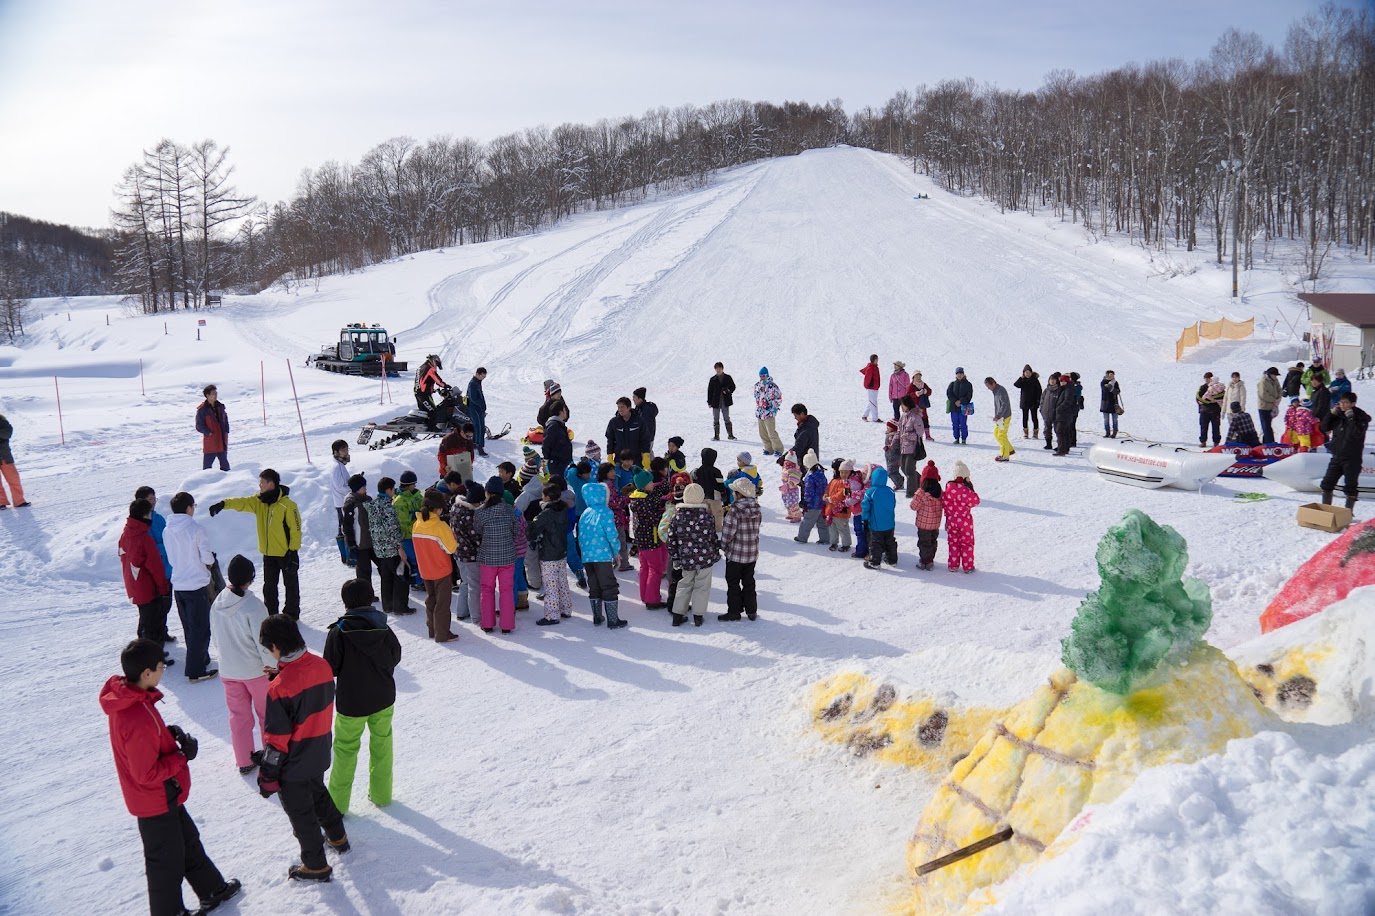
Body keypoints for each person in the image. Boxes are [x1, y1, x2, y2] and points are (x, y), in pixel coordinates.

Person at [101, 639, 241, 916]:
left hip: (163, 794)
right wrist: (181, 757)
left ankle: (212, 889)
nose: (164, 670)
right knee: (164, 862)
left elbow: (146, 744)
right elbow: (146, 772)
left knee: (187, 840)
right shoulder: (135, 715)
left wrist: (168, 736)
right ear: (146, 673)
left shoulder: (133, 695)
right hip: (153, 798)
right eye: (161, 666)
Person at [256, 615, 349, 882]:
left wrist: (268, 775)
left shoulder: (279, 689)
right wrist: (283, 674)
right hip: (319, 750)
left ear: (275, 646)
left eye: (268, 648)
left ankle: (316, 865)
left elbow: (277, 739)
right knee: (319, 795)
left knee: (302, 815)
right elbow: (307, 694)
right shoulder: (321, 666)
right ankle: (338, 837)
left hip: (294, 763)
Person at [324, 579, 401, 816]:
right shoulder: (384, 629)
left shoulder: (338, 632)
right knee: (382, 744)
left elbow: (330, 668)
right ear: (371, 598)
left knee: (345, 751)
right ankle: (382, 794)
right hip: (383, 698)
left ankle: (337, 806)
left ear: (345, 602)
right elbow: (395, 656)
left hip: (351, 703)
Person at [210, 554, 275, 774]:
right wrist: (272, 667)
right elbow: (263, 643)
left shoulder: (218, 602)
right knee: (267, 715)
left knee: (238, 717)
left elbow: (216, 638)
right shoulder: (254, 607)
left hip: (228, 670)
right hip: (255, 671)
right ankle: (271, 755)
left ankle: (244, 759)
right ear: (251, 578)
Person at [208, 469, 301, 620]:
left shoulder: (288, 505)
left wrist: (293, 551)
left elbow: (296, 529)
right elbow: (242, 502)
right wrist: (223, 504)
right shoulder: (259, 502)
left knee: (291, 585)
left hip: (286, 553)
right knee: (269, 587)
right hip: (268, 553)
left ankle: (292, 614)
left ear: (270, 484)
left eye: (262, 483)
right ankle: (271, 615)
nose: (259, 485)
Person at [163, 491, 218, 683]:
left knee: (189, 625)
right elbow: (207, 557)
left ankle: (201, 657)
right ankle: (196, 670)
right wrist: (209, 562)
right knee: (201, 627)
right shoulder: (196, 528)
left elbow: (170, 557)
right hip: (196, 583)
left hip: (178, 583)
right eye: (193, 506)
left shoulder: (167, 529)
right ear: (188, 508)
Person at [120, 498, 175, 661]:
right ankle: (154, 659)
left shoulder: (126, 534)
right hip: (148, 589)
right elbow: (156, 568)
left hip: (134, 586)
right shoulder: (144, 538)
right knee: (154, 626)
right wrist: (164, 589)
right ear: (145, 514)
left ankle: (142, 655)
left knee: (145, 622)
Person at [665, 483, 720, 627]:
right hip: (705, 559)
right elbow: (712, 537)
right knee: (702, 586)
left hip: (685, 559)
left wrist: (675, 556)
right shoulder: (707, 517)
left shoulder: (677, 517)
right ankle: (698, 616)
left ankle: (677, 614)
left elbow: (671, 538)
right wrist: (715, 553)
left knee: (684, 584)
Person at [578, 480, 629, 628]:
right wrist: (616, 552)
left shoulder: (585, 513)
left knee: (594, 585)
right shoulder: (605, 512)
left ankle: (597, 617)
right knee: (609, 585)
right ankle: (613, 620)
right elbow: (611, 535)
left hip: (587, 557)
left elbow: (580, 536)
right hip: (603, 556)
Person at [412, 490, 460, 642]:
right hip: (441, 570)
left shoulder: (417, 524)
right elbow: (451, 548)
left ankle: (432, 630)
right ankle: (442, 634)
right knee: (443, 603)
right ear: (438, 508)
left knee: (431, 600)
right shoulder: (440, 526)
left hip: (425, 569)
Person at [475, 476, 518, 633]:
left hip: (487, 556)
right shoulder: (509, 510)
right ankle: (507, 625)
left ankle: (487, 623)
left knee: (487, 589)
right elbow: (515, 531)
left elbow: (478, 531)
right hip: (507, 556)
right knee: (507, 590)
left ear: (486, 492)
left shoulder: (480, 512)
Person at [366, 478, 412, 616]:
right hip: (391, 548)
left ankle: (387, 605)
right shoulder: (388, 506)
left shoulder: (372, 504)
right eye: (393, 489)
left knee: (386, 578)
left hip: (379, 549)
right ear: (388, 490)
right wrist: (400, 548)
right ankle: (400, 606)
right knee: (401, 576)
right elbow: (392, 528)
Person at [629, 461, 672, 609]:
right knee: (656, 569)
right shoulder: (646, 501)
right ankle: (653, 600)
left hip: (641, 541)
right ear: (644, 485)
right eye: (650, 482)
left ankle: (645, 595)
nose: (653, 484)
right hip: (651, 539)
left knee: (645, 567)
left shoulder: (637, 499)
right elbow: (655, 518)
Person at [531, 482, 575, 624]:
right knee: (562, 582)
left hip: (549, 552)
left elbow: (533, 529)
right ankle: (566, 609)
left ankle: (552, 614)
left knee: (551, 585)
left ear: (548, 497)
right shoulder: (563, 509)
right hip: (561, 550)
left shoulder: (547, 514)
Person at [718, 478, 761, 621]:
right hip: (751, 553)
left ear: (738, 494)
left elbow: (728, 533)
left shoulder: (734, 510)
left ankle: (734, 612)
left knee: (733, 583)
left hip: (736, 555)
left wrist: (723, 546)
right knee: (749, 582)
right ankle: (751, 610)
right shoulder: (756, 508)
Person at [1320, 391, 1371, 510]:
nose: (1342, 405)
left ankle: (1348, 511)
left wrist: (1351, 418)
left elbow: (1356, 433)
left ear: (1352, 404)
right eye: (1341, 402)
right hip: (1337, 456)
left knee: (1350, 487)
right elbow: (1324, 428)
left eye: (1345, 403)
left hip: (1352, 458)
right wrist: (1331, 414)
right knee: (1327, 484)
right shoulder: (1339, 415)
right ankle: (1325, 510)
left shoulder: (1361, 418)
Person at [451, 480, 485, 622]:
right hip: (471, 555)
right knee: (474, 586)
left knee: (465, 582)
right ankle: (476, 616)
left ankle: (461, 611)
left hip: (458, 553)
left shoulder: (455, 507)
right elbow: (476, 536)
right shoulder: (470, 514)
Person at [944, 461, 980, 573]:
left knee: (953, 543)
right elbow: (976, 501)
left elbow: (944, 502)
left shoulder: (949, 489)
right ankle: (968, 566)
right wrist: (970, 487)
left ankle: (953, 565)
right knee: (967, 543)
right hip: (965, 522)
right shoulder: (966, 490)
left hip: (951, 521)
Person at [394, 470, 425, 590]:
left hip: (419, 532)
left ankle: (421, 579)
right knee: (414, 558)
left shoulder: (416, 495)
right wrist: (417, 514)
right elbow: (404, 521)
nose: (415, 486)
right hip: (408, 535)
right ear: (407, 485)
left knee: (420, 557)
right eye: (413, 484)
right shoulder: (400, 501)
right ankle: (416, 582)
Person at [861, 468, 898, 570]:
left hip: (876, 524)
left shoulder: (870, 492)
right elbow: (893, 504)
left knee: (875, 543)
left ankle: (875, 562)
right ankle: (892, 559)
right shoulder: (890, 491)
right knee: (890, 541)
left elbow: (865, 507)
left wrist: (865, 519)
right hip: (889, 522)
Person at [137, 485, 173, 579]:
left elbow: (168, 537)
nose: (153, 502)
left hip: (167, 570)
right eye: (150, 499)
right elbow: (147, 548)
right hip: (152, 573)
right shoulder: (138, 522)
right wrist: (166, 547)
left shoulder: (159, 518)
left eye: (154, 499)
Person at [795, 451, 830, 545]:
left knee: (807, 521)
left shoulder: (810, 479)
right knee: (822, 523)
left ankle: (802, 538)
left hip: (813, 505)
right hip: (822, 504)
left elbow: (809, 493)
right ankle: (825, 539)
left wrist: (805, 502)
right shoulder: (821, 474)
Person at [824, 460, 859, 552]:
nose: (843, 474)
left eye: (845, 472)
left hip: (842, 510)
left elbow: (842, 494)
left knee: (842, 528)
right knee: (832, 527)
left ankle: (846, 544)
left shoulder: (846, 483)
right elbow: (828, 489)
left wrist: (832, 498)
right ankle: (834, 542)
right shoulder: (833, 480)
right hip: (831, 509)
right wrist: (826, 495)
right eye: (841, 472)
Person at [911, 473, 943, 571]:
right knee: (933, 541)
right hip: (935, 524)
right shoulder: (940, 493)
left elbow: (913, 506)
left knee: (924, 543)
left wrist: (918, 495)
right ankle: (930, 559)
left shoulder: (921, 494)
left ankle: (925, 561)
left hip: (924, 524)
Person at [329, 440, 353, 566]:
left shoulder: (341, 466)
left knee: (344, 529)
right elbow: (340, 486)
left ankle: (347, 556)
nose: (346, 452)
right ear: (336, 452)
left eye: (347, 449)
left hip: (343, 501)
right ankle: (348, 556)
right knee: (346, 530)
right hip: (342, 502)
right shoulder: (337, 467)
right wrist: (353, 489)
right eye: (343, 450)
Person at [195, 384, 230, 471]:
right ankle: (205, 484)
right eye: (213, 394)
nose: (215, 395)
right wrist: (208, 433)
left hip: (221, 440)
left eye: (216, 393)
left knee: (225, 466)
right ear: (207, 395)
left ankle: (227, 483)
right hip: (211, 442)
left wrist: (226, 431)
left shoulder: (220, 406)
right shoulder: (202, 410)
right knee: (207, 468)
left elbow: (225, 420)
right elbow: (199, 425)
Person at [693, 447, 729, 532]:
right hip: (715, 497)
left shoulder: (698, 471)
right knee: (717, 513)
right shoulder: (716, 471)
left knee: (705, 513)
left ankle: (705, 527)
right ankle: (718, 528)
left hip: (703, 496)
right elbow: (720, 484)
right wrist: (723, 495)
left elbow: (696, 483)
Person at [897, 397, 925, 496]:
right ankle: (921, 480)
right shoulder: (903, 416)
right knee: (904, 468)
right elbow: (899, 430)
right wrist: (893, 442)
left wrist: (908, 435)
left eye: (903, 405)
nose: (901, 407)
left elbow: (920, 433)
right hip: (903, 447)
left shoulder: (916, 417)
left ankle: (911, 492)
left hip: (913, 448)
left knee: (909, 470)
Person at [0, 412, 30, 508]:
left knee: (14, 479)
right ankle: (1, 502)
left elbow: (7, 434)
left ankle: (19, 501)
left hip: (5, 457)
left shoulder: (3, 422)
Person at [754, 368, 786, 456]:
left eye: (764, 375)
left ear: (767, 375)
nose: (762, 377)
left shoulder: (773, 386)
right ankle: (769, 448)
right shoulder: (757, 385)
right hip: (760, 413)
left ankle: (778, 449)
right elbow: (756, 397)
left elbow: (779, 398)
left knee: (771, 432)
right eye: (761, 376)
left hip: (769, 413)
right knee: (762, 433)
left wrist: (774, 407)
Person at [986, 377, 1014, 461]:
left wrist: (998, 415)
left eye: (988, 386)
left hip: (1004, 417)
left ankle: (1005, 455)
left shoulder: (1001, 390)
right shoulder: (996, 391)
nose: (988, 388)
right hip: (1000, 418)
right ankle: (1009, 449)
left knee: (1001, 435)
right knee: (996, 433)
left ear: (993, 384)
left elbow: (1004, 404)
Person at [707, 362, 737, 441]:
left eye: (719, 368)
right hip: (715, 402)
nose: (718, 370)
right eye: (716, 368)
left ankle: (730, 435)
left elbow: (733, 387)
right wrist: (709, 402)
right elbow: (709, 391)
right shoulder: (713, 379)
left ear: (722, 368)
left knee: (726, 418)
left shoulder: (728, 377)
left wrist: (728, 390)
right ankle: (716, 436)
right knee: (716, 418)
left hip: (725, 401)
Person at [1052, 373, 1078, 456]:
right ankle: (1065, 448)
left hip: (1064, 414)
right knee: (1065, 432)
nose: (1062, 383)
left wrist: (1059, 408)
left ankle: (1061, 450)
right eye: (1061, 381)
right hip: (1064, 414)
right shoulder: (1064, 389)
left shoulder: (1068, 389)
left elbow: (1067, 401)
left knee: (1060, 432)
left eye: (1064, 381)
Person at [1013, 365, 1043, 440]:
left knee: (1034, 418)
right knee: (1025, 418)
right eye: (1026, 372)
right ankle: (1026, 433)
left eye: (1029, 372)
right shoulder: (1022, 380)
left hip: (1033, 402)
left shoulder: (1035, 380)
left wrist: (1038, 400)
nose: (1028, 374)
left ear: (1031, 372)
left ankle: (1035, 433)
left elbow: (1039, 391)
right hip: (1024, 402)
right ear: (1023, 373)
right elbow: (1016, 385)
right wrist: (1021, 378)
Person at [632, 387, 658, 466]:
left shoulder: (645, 411)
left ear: (640, 398)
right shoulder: (639, 408)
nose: (633, 399)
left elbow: (646, 428)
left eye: (634, 397)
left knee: (646, 457)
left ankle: (652, 472)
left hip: (645, 440)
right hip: (644, 440)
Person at [947, 368, 973, 444]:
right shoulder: (952, 384)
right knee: (955, 423)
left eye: (961, 373)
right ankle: (956, 438)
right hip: (954, 407)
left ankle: (964, 438)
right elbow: (949, 394)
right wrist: (955, 401)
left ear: (963, 374)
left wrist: (961, 401)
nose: (959, 375)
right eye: (958, 374)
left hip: (964, 407)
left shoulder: (968, 384)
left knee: (963, 423)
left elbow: (969, 395)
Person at [467, 367, 488, 456]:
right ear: (478, 374)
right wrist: (481, 405)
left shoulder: (477, 382)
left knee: (479, 427)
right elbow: (473, 398)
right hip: (475, 408)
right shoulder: (473, 384)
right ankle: (480, 447)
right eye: (482, 376)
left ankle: (475, 443)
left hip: (479, 409)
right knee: (479, 427)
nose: (483, 378)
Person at [1257, 367, 1282, 443]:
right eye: (1275, 375)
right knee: (1266, 426)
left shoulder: (1275, 381)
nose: (1275, 377)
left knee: (1268, 425)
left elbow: (1279, 390)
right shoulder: (1263, 382)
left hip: (1272, 407)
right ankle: (1270, 442)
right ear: (1270, 374)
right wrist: (1273, 400)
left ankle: (1266, 442)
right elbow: (1263, 394)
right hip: (1264, 407)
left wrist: (1278, 398)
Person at [909, 370, 934, 441]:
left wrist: (926, 391)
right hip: (914, 407)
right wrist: (916, 394)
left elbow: (929, 391)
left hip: (922, 406)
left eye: (919, 376)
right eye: (916, 376)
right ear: (913, 377)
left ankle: (927, 435)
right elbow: (907, 395)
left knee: (925, 420)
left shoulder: (923, 384)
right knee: (915, 422)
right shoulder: (911, 385)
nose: (918, 378)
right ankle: (915, 436)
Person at [780, 450, 803, 522]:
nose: (786, 463)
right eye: (786, 461)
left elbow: (793, 481)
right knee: (787, 502)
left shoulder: (794, 470)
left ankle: (797, 516)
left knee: (793, 503)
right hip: (786, 490)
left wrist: (786, 486)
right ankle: (790, 514)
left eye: (788, 462)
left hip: (792, 491)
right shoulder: (786, 469)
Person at [1039, 373, 1059, 450]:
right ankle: (1048, 444)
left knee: (1057, 430)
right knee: (1047, 429)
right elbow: (1042, 400)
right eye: (1051, 380)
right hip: (1046, 413)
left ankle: (1059, 445)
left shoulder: (1059, 390)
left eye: (1054, 380)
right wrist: (1041, 409)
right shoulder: (1046, 390)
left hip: (1056, 414)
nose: (1052, 381)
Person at [1100, 370, 1122, 438]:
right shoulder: (1103, 382)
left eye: (1112, 375)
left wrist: (1111, 388)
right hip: (1105, 403)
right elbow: (1105, 389)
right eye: (1110, 374)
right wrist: (1112, 388)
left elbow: (1117, 391)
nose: (1111, 376)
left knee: (1115, 419)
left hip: (1114, 403)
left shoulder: (1115, 382)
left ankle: (1114, 432)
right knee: (1106, 419)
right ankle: (1107, 432)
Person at [860, 354, 882, 422]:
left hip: (875, 388)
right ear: (874, 360)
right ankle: (875, 418)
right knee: (873, 403)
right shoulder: (870, 368)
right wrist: (867, 386)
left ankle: (864, 415)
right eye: (877, 359)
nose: (877, 360)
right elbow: (867, 379)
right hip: (871, 388)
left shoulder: (875, 367)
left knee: (871, 402)